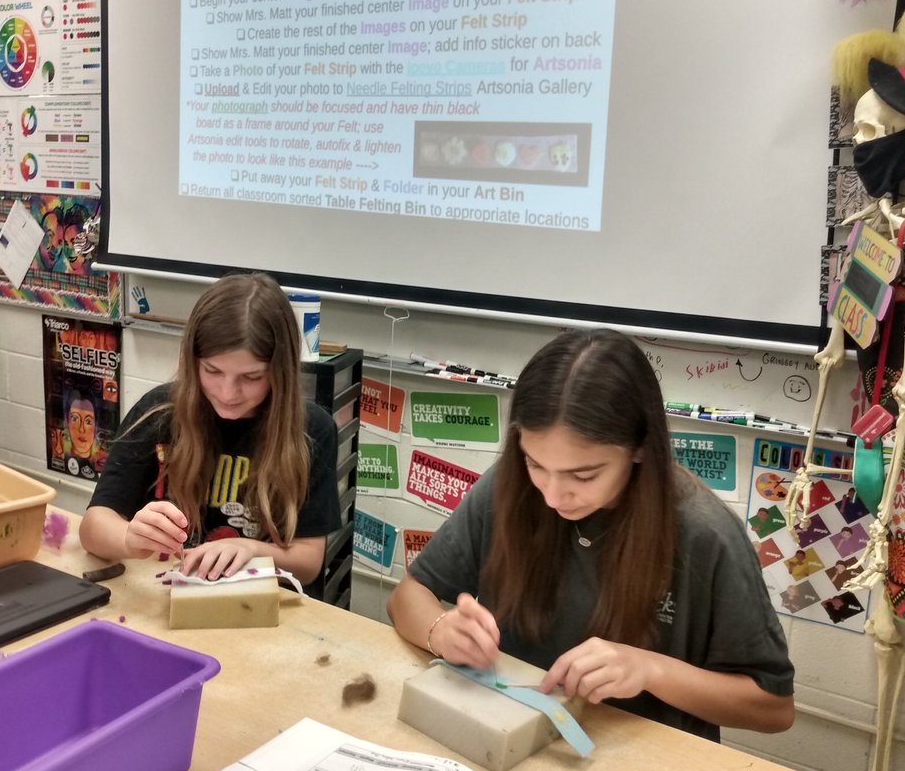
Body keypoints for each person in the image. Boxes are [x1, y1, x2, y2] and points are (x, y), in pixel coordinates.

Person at [386, 329, 795, 741]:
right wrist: (440, 629)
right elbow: (407, 597)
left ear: (639, 448)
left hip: (639, 763)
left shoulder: (704, 534)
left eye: (583, 475)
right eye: (535, 463)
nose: (551, 494)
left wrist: (650, 669)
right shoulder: (509, 487)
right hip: (509, 735)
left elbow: (773, 708)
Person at [79, 274, 340, 585]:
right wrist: (128, 537)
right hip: (168, 594)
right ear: (192, 361)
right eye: (213, 371)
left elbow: (309, 562)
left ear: (280, 372)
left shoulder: (311, 430)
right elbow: (93, 527)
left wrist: (250, 548)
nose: (228, 393)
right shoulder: (159, 412)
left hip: (259, 607)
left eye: (252, 377)